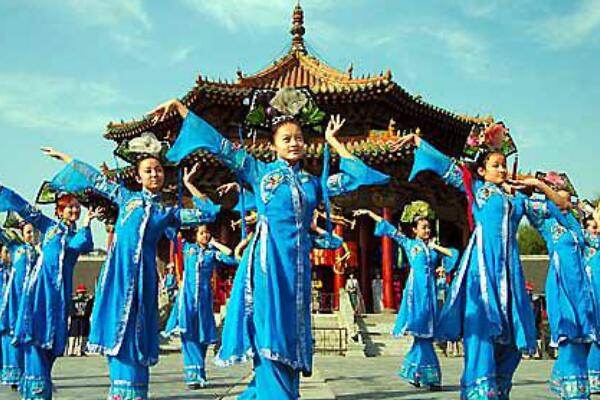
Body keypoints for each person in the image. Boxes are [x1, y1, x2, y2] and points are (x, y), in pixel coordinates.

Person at [154, 87, 390, 399]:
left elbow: (355, 176)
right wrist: (181, 108)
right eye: (287, 138)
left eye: (299, 138)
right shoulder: (259, 172)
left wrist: (334, 143)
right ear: (274, 144)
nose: (295, 143)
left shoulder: (312, 183)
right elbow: (220, 145)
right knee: (269, 332)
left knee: (291, 336)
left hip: (299, 270)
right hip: (267, 265)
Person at [392, 123, 568, 399]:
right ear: (482, 170)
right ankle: (478, 390)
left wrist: (535, 183)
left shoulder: (518, 199)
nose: (501, 169)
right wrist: (417, 141)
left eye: (504, 165)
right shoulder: (476, 189)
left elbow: (562, 206)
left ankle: (499, 387)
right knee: (481, 330)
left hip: (509, 272)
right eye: (496, 165)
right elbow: (446, 166)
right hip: (482, 270)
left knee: (511, 337)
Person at [43, 139, 219, 400]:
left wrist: (190, 184)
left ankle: (136, 391)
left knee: (138, 327)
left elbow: (209, 213)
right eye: (148, 170)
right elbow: (96, 179)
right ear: (137, 177)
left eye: (158, 170)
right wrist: (66, 158)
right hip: (118, 274)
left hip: (144, 277)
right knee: (118, 325)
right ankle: (119, 390)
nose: (154, 174)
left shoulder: (167, 212)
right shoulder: (127, 198)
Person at [0, 185, 97, 399]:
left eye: (76, 207)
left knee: (52, 344)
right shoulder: (49, 226)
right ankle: (37, 391)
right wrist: (3, 191)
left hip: (60, 296)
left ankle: (36, 386)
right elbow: (25, 209)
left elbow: (86, 245)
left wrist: (87, 222)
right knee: (35, 337)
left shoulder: (75, 236)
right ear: (59, 210)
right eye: (69, 207)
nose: (74, 210)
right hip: (40, 292)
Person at [354, 202, 458, 390]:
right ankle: (431, 377)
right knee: (423, 337)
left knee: (423, 338)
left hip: (431, 293)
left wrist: (437, 249)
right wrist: (370, 213)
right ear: (414, 229)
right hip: (416, 292)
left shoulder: (434, 248)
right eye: (423, 227)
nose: (427, 230)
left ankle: (414, 373)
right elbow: (391, 230)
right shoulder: (409, 244)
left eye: (428, 227)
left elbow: (453, 255)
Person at [162, 167, 237, 389]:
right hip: (187, 297)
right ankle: (192, 376)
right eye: (201, 233)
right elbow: (167, 229)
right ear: (195, 234)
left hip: (204, 297)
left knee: (203, 336)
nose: (204, 235)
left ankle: (200, 372)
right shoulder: (186, 249)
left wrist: (215, 243)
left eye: (206, 233)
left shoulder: (211, 254)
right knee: (188, 335)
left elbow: (231, 258)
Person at [526, 172, 597, 399]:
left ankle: (569, 382)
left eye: (564, 198)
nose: (561, 201)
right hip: (561, 283)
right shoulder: (546, 223)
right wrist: (538, 184)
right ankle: (572, 389)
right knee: (569, 334)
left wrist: (592, 211)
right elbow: (528, 202)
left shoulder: (575, 227)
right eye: (556, 197)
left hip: (581, 288)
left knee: (583, 336)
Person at [0, 221, 38, 388]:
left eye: (34, 232)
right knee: (12, 336)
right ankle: (14, 375)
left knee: (29, 338)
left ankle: (28, 375)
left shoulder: (40, 252)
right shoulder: (17, 248)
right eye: (28, 232)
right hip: (15, 300)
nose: (32, 236)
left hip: (32, 299)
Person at [583, 212, 600, 394]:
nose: (596, 231)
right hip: (590, 296)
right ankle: (592, 377)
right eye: (593, 227)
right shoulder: (586, 243)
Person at [67, 284, 90, 357]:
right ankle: (71, 351)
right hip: (75, 320)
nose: (82, 294)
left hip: (84, 320)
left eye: (83, 293)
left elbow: (89, 309)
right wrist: (75, 313)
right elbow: (70, 309)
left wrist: (85, 313)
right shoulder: (73, 301)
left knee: (83, 335)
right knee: (73, 335)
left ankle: (81, 350)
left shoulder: (87, 301)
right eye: (80, 293)